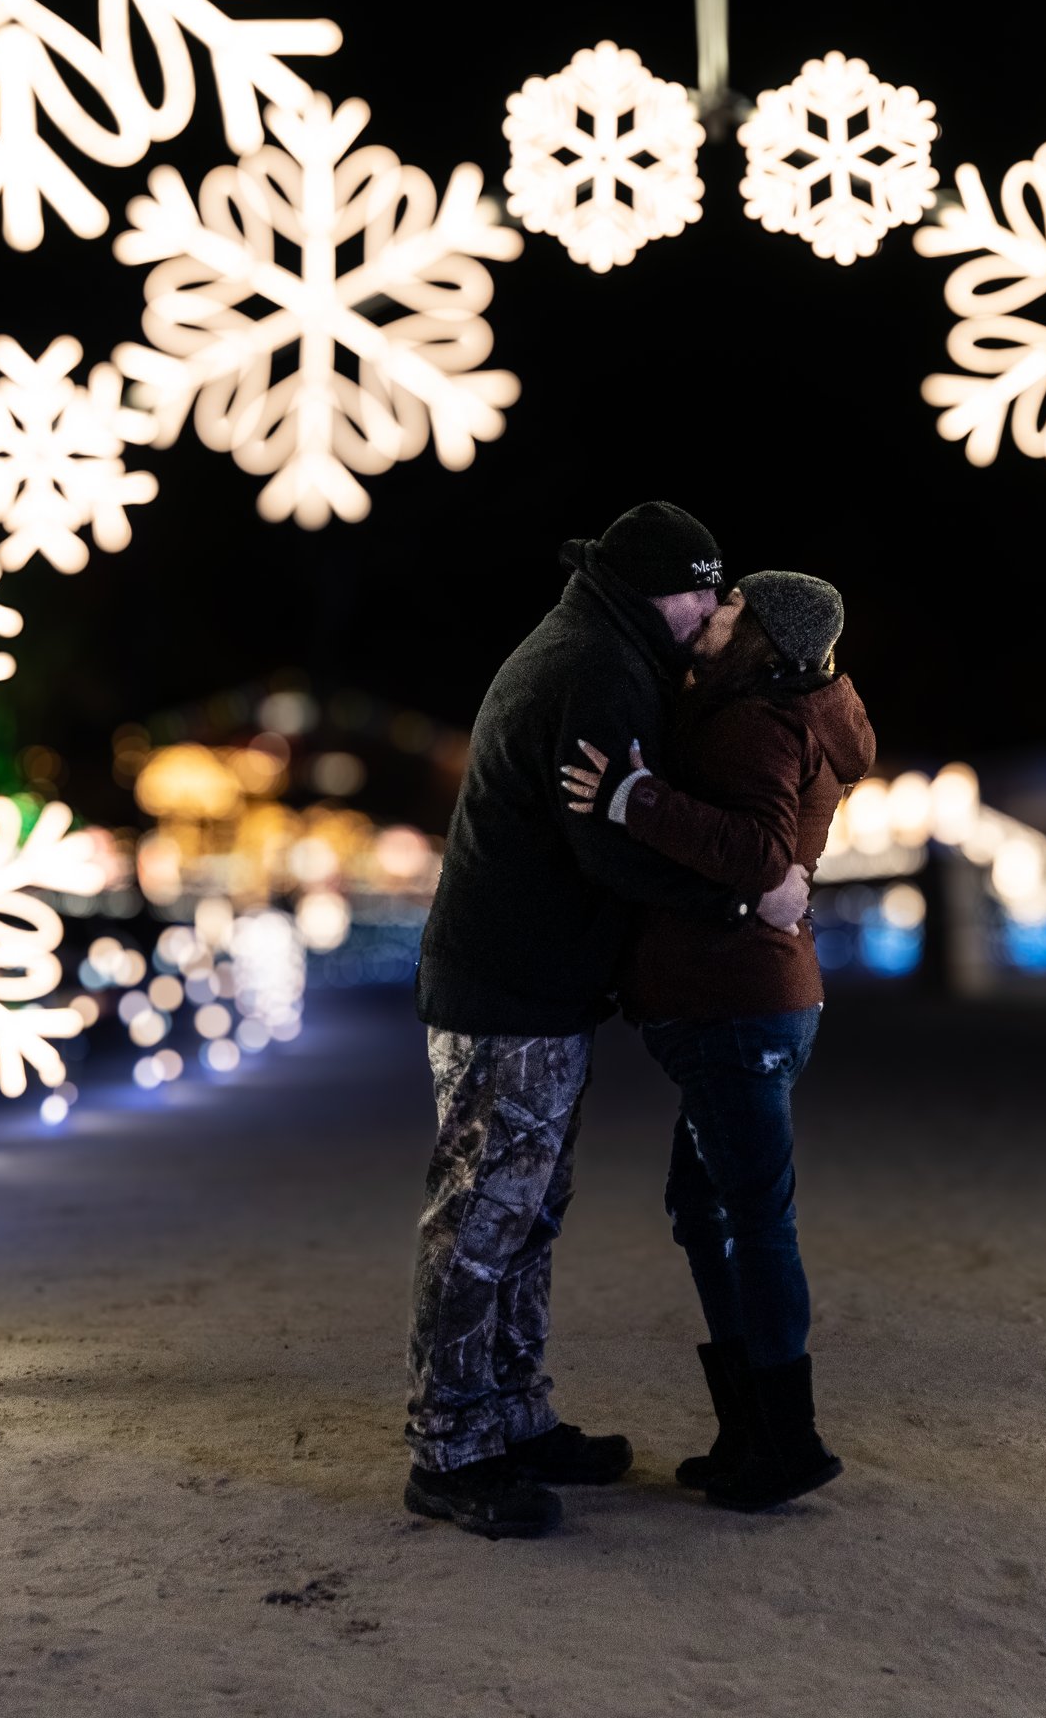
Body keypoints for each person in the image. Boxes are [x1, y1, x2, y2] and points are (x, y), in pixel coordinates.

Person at [406, 503, 810, 1541]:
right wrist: (743, 900)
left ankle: (512, 1415)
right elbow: (607, 847)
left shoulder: (601, 654)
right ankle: (452, 1446)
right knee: (483, 1216)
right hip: (508, 992)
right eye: (701, 588)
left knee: (524, 1214)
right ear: (650, 590)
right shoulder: (593, 668)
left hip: (537, 989)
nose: (715, 607)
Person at [559, 571, 872, 1512]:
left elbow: (763, 858)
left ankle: (787, 1441)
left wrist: (632, 798)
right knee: (707, 1211)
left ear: (765, 639)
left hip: (737, 1003)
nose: (714, 614)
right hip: (759, 1003)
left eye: (733, 608)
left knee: (751, 1220)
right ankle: (751, 1429)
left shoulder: (753, 723)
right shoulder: (806, 706)